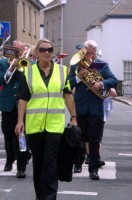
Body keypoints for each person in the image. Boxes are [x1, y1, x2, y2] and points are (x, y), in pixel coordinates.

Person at [15, 38, 77, 200]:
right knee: (39, 162)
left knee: (50, 161)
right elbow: (23, 98)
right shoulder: (28, 72)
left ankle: (49, 197)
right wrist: (20, 121)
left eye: (49, 49)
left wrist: (74, 117)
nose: (47, 52)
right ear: (36, 53)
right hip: (34, 125)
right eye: (43, 50)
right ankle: (40, 195)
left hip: (55, 125)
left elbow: (68, 96)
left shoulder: (63, 71)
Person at [68, 40, 118, 180]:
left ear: (96, 53)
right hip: (80, 107)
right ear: (83, 52)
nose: (90, 56)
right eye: (87, 53)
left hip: (96, 108)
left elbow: (113, 80)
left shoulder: (102, 64)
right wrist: (79, 77)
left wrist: (101, 83)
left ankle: (94, 169)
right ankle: (77, 163)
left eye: (92, 53)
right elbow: (68, 83)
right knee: (78, 139)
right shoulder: (76, 65)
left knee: (94, 140)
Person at [0, 40, 30, 178]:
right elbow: (2, 80)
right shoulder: (2, 63)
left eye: (20, 50)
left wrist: (22, 64)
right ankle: (10, 159)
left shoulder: (29, 63)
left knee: (21, 136)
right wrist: (11, 68)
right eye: (15, 50)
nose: (17, 52)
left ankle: (21, 166)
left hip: (22, 104)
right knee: (8, 135)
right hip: (7, 105)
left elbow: (29, 80)